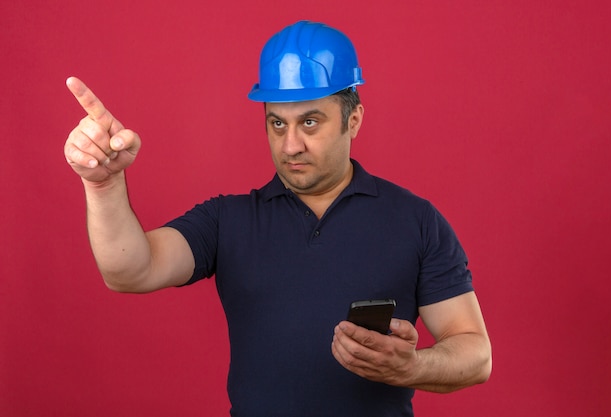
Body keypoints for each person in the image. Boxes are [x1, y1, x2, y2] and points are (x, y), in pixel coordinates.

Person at [64, 20, 491, 417]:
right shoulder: (227, 220)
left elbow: (475, 355)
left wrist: (412, 367)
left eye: (309, 122)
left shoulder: (415, 220)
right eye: (276, 123)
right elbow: (129, 272)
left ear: (353, 120)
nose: (290, 146)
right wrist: (104, 185)